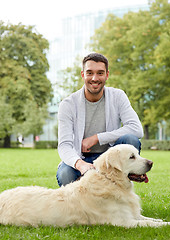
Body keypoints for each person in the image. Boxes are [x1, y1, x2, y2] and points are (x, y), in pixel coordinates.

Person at [56, 53, 143, 187]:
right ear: (82, 75)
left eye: (100, 73)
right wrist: (81, 165)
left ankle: (120, 192)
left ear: (107, 75)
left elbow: (136, 129)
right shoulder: (68, 104)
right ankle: (80, 205)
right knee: (65, 174)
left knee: (131, 140)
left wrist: (97, 138)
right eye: (89, 73)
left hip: (110, 157)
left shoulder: (118, 96)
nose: (95, 78)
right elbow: (64, 145)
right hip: (81, 158)